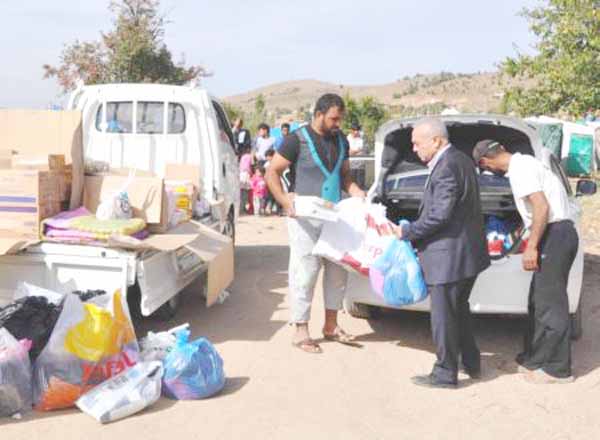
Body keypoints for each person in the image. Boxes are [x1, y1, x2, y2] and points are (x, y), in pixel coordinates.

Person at [265, 93, 366, 354]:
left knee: (337, 272)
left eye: (340, 119)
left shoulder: (341, 140)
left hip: (335, 217)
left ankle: (331, 326)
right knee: (305, 272)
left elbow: (345, 176)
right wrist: (284, 201)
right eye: (334, 118)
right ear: (319, 114)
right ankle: (301, 330)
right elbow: (272, 171)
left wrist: (356, 191)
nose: (338, 124)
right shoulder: (295, 140)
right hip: (305, 218)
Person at [395, 118, 490, 388]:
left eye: (417, 142)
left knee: (444, 316)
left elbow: (440, 215)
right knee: (458, 311)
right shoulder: (460, 160)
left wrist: (408, 231)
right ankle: (471, 363)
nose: (414, 148)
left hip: (449, 257)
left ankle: (445, 373)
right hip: (464, 254)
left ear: (436, 141)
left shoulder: (447, 166)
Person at [473, 140, 578, 384]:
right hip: (554, 233)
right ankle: (536, 358)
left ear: (485, 162)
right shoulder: (526, 162)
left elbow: (541, 207)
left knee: (552, 304)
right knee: (538, 301)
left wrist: (531, 246)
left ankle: (558, 370)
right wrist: (523, 234)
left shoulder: (520, 170)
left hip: (556, 234)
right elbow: (534, 212)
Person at [347, 122, 366, 187]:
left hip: (360, 165)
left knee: (361, 185)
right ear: (351, 130)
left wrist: (353, 151)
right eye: (355, 130)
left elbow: (361, 149)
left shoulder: (361, 138)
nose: (356, 132)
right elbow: (348, 152)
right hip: (351, 165)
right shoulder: (347, 139)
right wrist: (356, 151)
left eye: (357, 130)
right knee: (352, 185)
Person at [239, 146, 254, 214]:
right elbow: (252, 165)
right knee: (246, 192)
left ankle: (242, 208)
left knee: (242, 192)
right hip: (246, 174)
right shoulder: (250, 156)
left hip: (241, 174)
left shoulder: (242, 157)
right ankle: (243, 209)